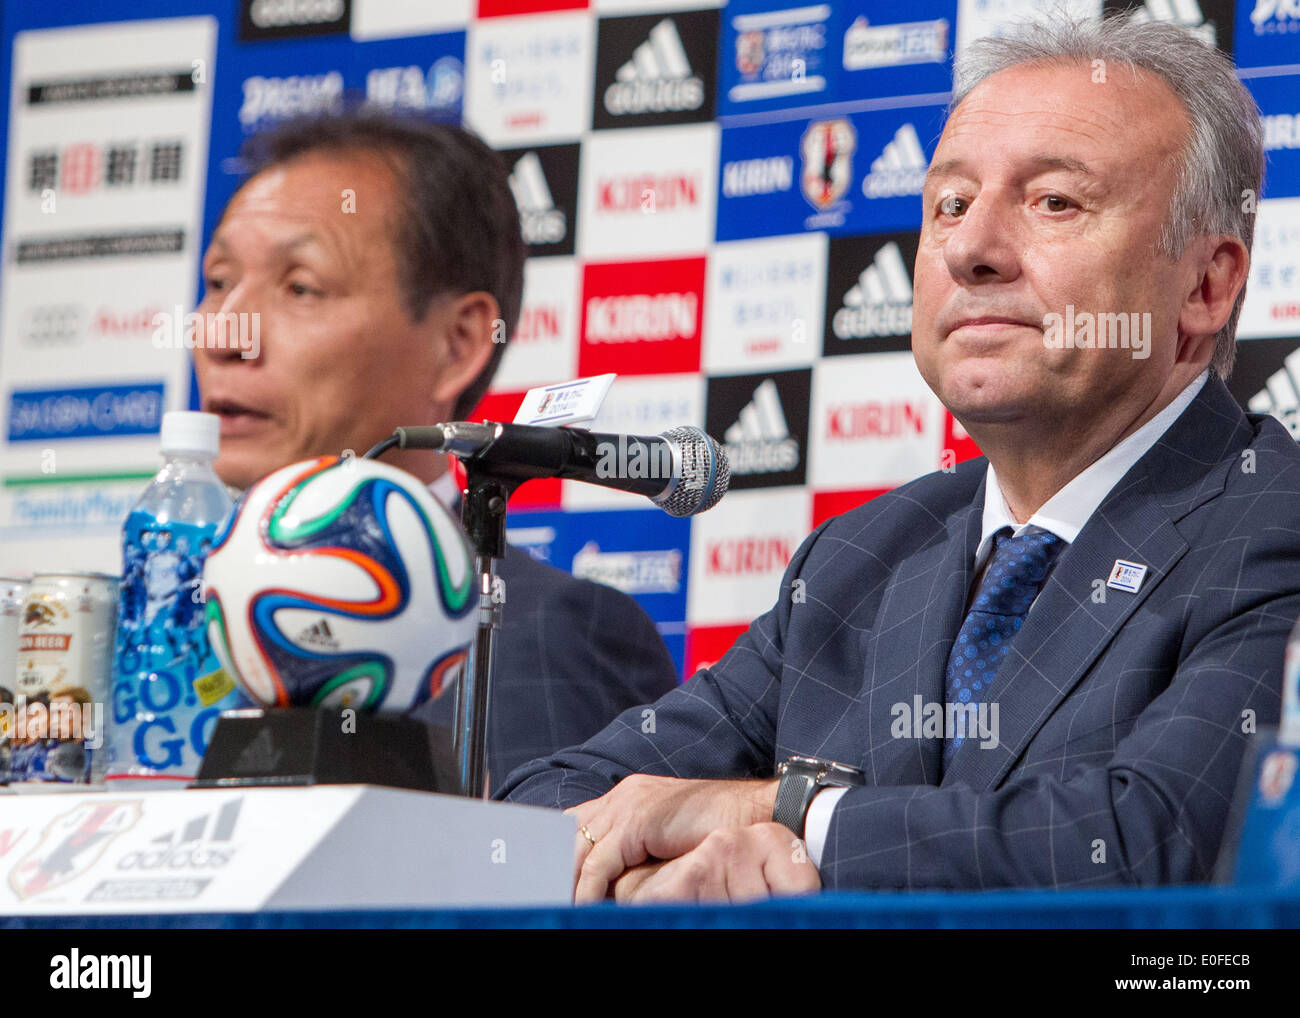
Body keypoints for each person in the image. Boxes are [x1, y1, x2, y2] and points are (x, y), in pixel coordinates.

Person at [501, 14, 1300, 900]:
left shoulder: (1274, 526)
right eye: (950, 204)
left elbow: (1149, 844)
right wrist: (655, 880)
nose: (970, 249)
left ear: (1207, 283)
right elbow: (558, 803)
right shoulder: (862, 558)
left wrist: (789, 815)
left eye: (1054, 203)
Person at [191, 112, 679, 792]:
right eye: (218, 283)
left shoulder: (533, 631)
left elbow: (542, 886)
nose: (223, 334)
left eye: (300, 287)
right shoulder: (156, 613)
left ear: (457, 342)